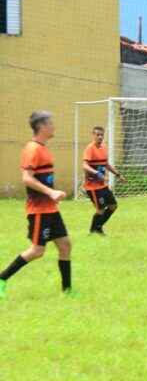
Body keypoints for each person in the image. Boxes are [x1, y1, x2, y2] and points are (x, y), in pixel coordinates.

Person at [0, 111, 73, 299]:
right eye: (51, 124)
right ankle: (2, 278)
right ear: (42, 126)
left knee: (65, 245)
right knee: (37, 251)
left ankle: (67, 291)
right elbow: (27, 178)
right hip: (39, 210)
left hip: (50, 208)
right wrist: (51, 192)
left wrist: (53, 194)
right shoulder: (32, 149)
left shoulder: (43, 148)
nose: (54, 127)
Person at [83, 126, 126, 235]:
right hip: (92, 187)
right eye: (97, 135)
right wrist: (96, 173)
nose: (100, 137)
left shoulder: (103, 147)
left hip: (102, 185)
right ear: (93, 135)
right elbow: (85, 165)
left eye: (102, 135)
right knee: (101, 209)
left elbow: (106, 164)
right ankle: (93, 230)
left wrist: (118, 174)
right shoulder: (90, 148)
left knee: (113, 206)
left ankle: (98, 227)